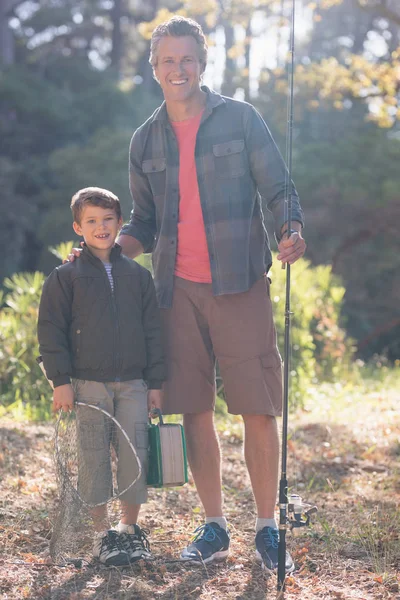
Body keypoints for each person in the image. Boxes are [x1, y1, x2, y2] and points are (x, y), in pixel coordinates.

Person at [69, 16, 306, 572]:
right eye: (167, 60)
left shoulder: (242, 119)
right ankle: (215, 525)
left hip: (241, 283)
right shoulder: (144, 139)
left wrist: (291, 228)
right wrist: (103, 251)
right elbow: (145, 222)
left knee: (257, 407)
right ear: (154, 68)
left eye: (187, 59)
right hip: (174, 290)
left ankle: (267, 528)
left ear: (203, 63)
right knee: (193, 408)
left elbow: (279, 188)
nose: (178, 69)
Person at [38, 187, 166, 566]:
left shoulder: (138, 277)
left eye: (108, 219)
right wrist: (60, 380)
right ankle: (102, 535)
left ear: (120, 223)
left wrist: (155, 383)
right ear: (78, 227)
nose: (101, 227)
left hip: (133, 383)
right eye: (92, 221)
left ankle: (129, 531)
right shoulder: (65, 277)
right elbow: (51, 331)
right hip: (87, 384)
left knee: (134, 457)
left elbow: (153, 332)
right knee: (94, 458)